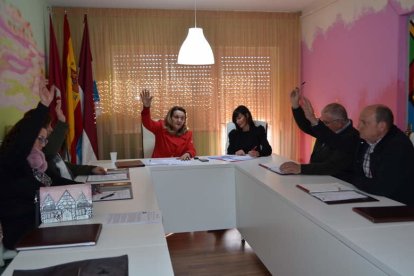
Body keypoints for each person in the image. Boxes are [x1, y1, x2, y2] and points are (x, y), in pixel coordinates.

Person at [0, 80, 76, 249]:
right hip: (24, 232)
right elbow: (22, 142)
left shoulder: (37, 164)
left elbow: (55, 182)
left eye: (44, 139)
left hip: (45, 222)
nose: (43, 144)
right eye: (39, 139)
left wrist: (85, 189)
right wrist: (43, 105)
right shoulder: (12, 161)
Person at [280, 87, 359, 182]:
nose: (322, 126)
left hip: (337, 183)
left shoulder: (352, 137)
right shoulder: (328, 129)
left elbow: (331, 166)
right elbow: (306, 126)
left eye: (326, 122)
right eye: (321, 121)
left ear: (339, 123)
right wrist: (295, 106)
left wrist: (301, 168)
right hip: (318, 177)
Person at [351, 104, 414, 205]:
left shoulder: (398, 146)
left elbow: (382, 187)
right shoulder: (365, 140)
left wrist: (353, 179)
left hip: (398, 207)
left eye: (364, 123)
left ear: (381, 126)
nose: (358, 126)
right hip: (372, 198)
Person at [44, 98, 106, 180]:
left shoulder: (46, 149)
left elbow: (65, 166)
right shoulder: (41, 153)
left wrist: (91, 169)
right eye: (48, 126)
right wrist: (61, 122)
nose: (51, 129)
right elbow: (50, 151)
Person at [140, 89, 196, 160]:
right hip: (159, 165)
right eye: (176, 117)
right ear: (170, 117)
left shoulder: (188, 133)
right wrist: (146, 108)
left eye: (182, 118)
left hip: (178, 165)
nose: (179, 120)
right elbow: (147, 123)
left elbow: (192, 150)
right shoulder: (161, 126)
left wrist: (188, 153)